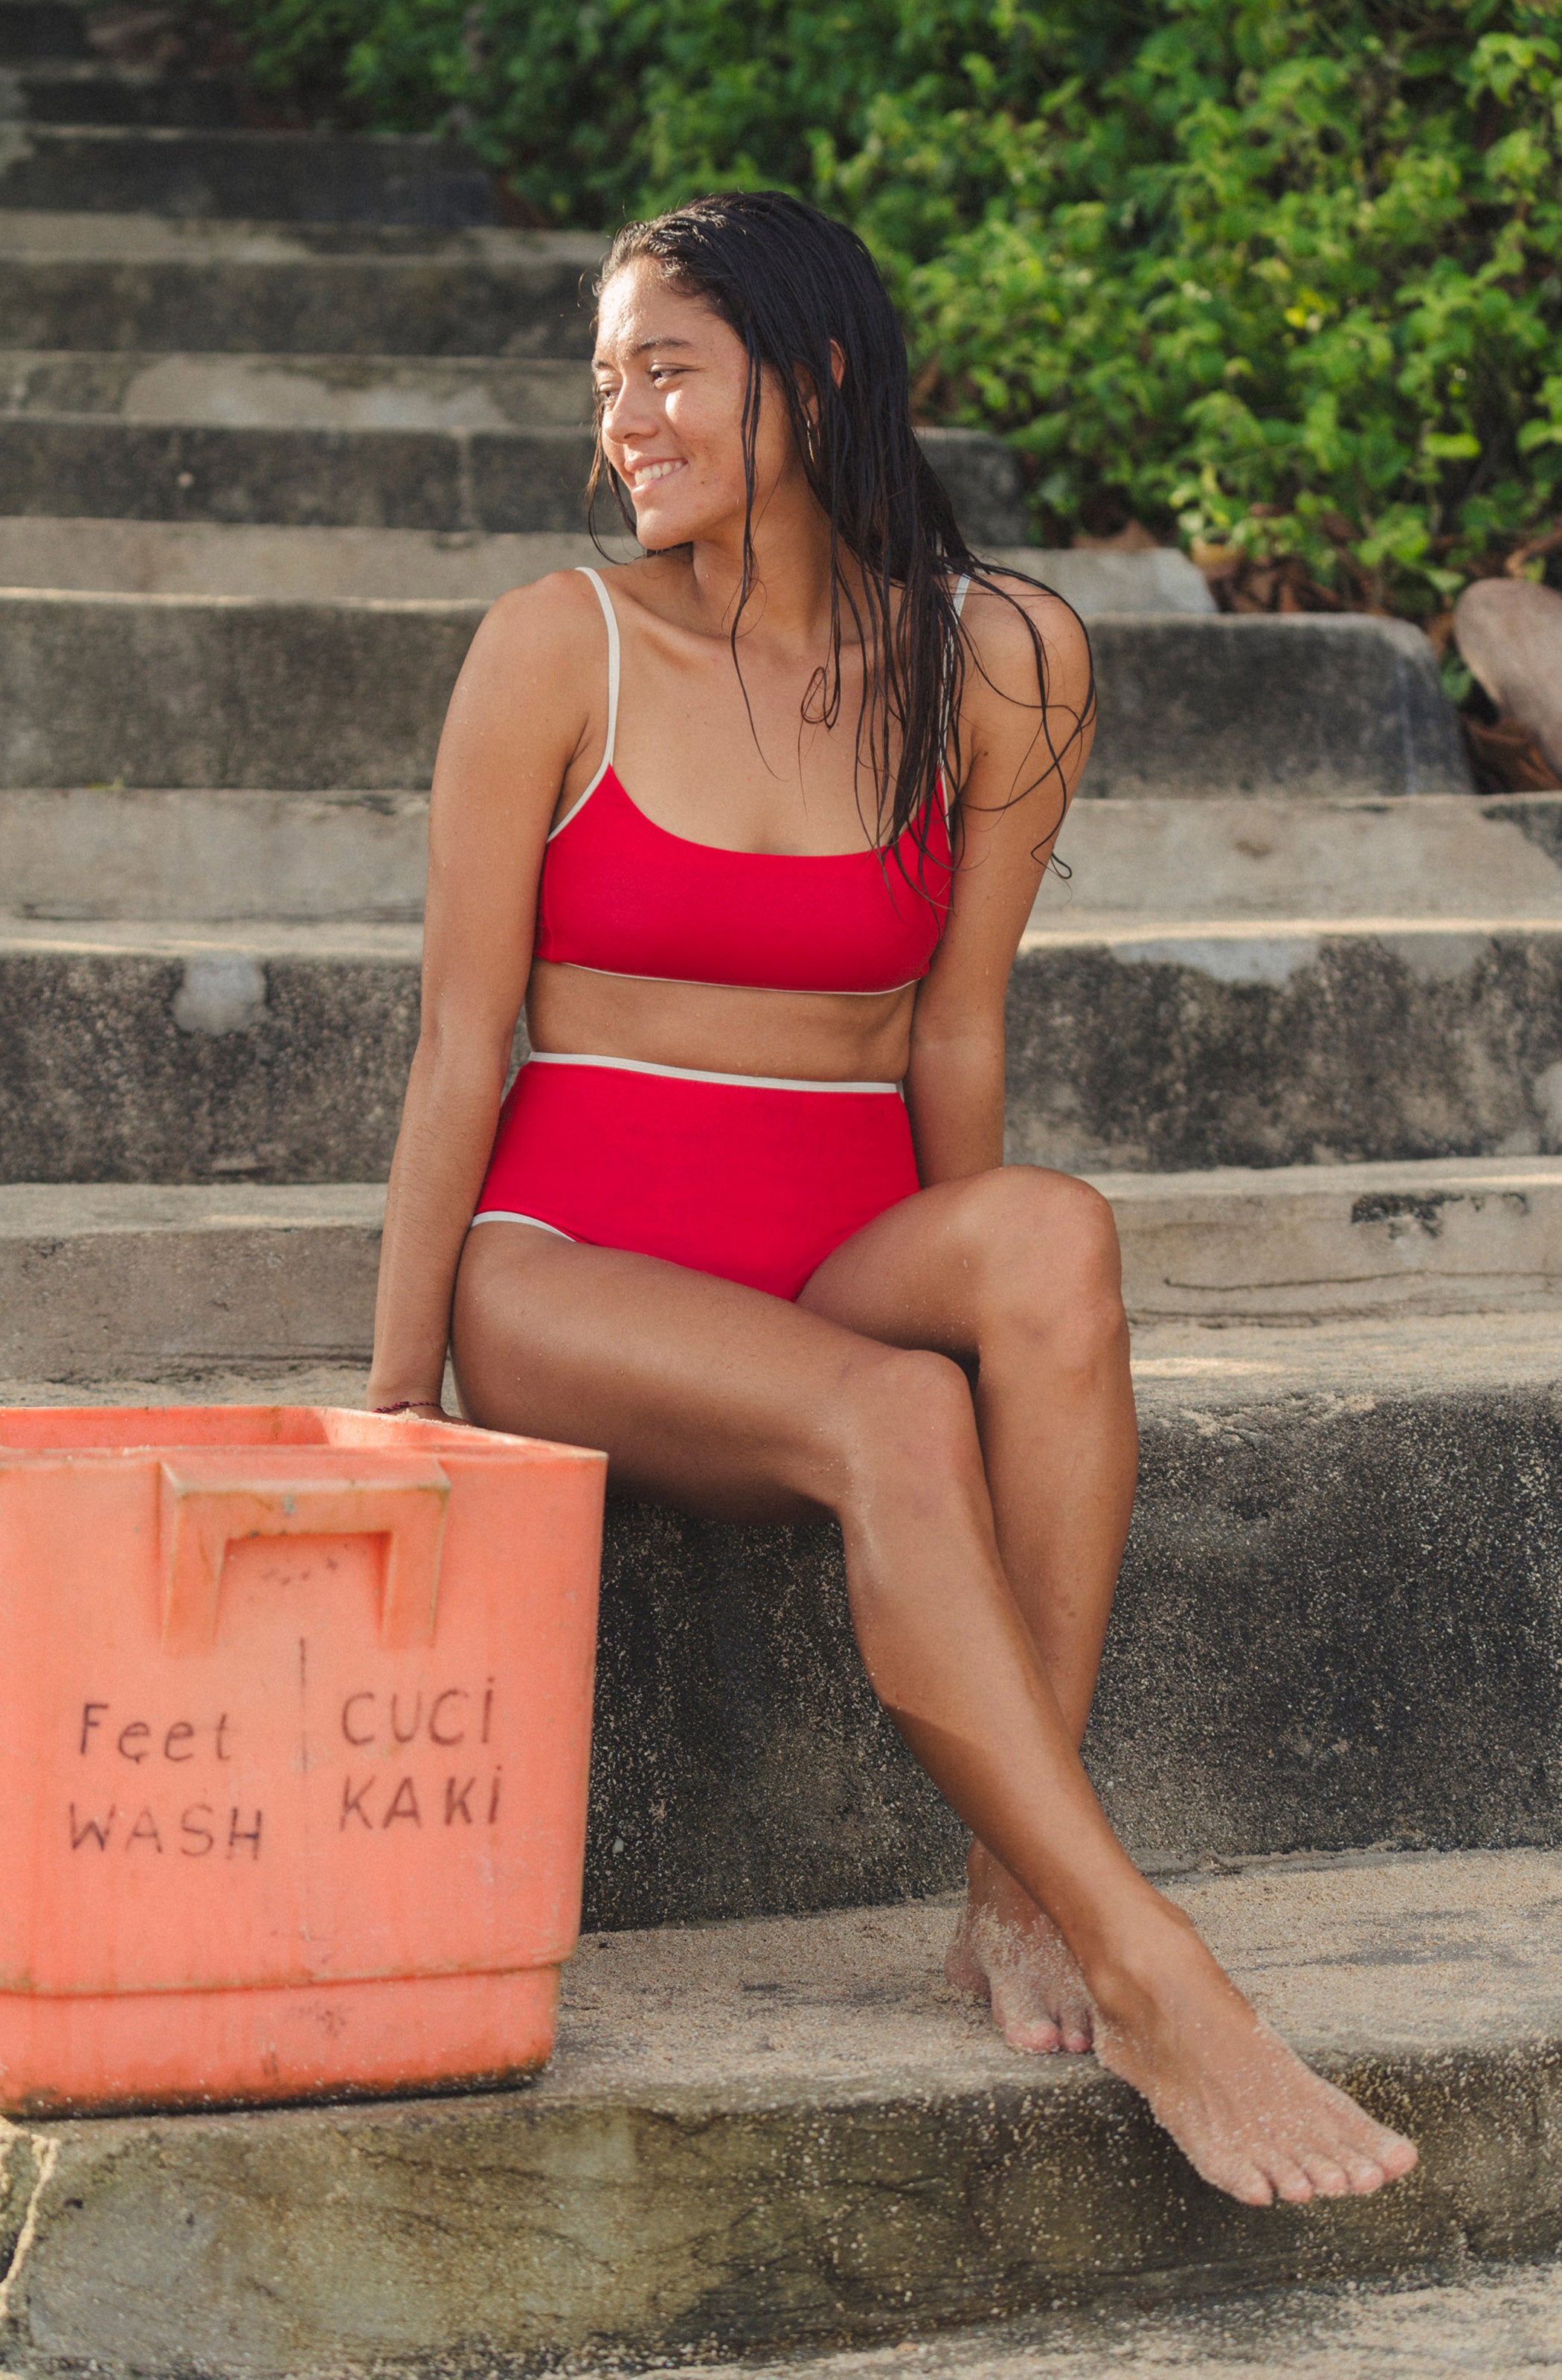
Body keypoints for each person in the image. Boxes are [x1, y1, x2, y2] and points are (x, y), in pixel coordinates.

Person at [367, 189, 1417, 2209]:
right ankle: (1148, 1963)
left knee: (1052, 1240)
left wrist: (999, 1329)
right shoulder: (556, 645)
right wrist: (401, 1399)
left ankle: (1015, 1887)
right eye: (606, 382)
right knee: (897, 1412)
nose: (624, 423)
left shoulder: (999, 657)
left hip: (830, 1259)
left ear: (816, 374)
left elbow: (957, 1033)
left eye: (668, 370)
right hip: (573, 1267)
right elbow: (455, 1043)